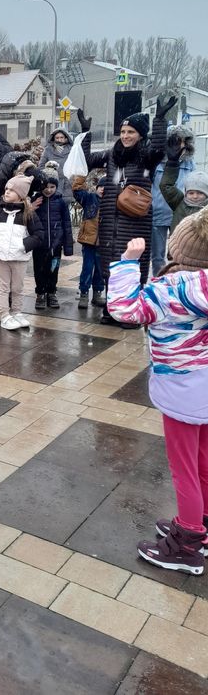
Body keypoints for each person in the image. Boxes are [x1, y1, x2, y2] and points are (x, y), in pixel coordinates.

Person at [107, 227, 208, 575]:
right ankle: (203, 523)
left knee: (185, 470)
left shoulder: (168, 291)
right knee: (203, 461)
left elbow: (124, 309)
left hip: (182, 392)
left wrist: (127, 263)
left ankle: (187, 543)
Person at [79, 98, 171, 325]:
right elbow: (88, 160)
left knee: (133, 266)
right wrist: (85, 133)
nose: (126, 135)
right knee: (110, 266)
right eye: (123, 131)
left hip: (134, 222)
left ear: (140, 134)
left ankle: (130, 314)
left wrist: (159, 121)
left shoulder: (146, 156)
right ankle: (113, 310)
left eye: (131, 131)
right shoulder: (112, 154)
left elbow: (160, 149)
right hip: (110, 220)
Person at [0, 175, 43, 330]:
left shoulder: (29, 215)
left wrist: (23, 245)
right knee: (3, 287)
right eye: (7, 188)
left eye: (12, 190)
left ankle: (17, 312)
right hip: (0, 256)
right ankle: (5, 315)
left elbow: (39, 235)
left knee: (17, 287)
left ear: (21, 195)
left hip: (19, 257)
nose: (7, 192)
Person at [151, 126, 195, 275]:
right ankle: (159, 281)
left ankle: (177, 282)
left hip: (180, 213)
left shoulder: (190, 163)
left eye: (182, 141)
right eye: (176, 141)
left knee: (179, 252)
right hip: (159, 211)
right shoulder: (158, 162)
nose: (179, 145)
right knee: (157, 255)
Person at [33, 167, 74, 310]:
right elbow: (27, 218)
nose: (48, 190)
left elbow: (67, 224)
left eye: (52, 186)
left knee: (53, 269)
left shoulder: (61, 202)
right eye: (46, 186)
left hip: (56, 246)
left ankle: (51, 292)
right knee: (39, 269)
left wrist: (68, 246)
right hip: (39, 245)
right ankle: (40, 293)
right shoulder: (36, 200)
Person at [159, 131, 208, 237]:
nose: (195, 196)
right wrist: (172, 163)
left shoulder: (206, 208)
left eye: (200, 193)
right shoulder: (179, 202)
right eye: (191, 193)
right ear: (186, 193)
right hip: (177, 248)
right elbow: (166, 186)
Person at [72, 173, 107, 309]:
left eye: (106, 187)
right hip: (88, 241)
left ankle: (97, 293)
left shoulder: (111, 202)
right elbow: (77, 190)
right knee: (87, 267)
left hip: (103, 243)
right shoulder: (89, 198)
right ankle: (84, 293)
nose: (103, 189)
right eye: (101, 186)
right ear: (97, 187)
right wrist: (82, 173)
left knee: (100, 269)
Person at [41, 129, 74, 203]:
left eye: (61, 137)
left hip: (68, 183)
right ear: (54, 139)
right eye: (57, 138)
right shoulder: (48, 150)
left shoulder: (72, 150)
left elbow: (76, 166)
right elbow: (41, 166)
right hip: (52, 183)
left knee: (66, 208)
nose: (59, 140)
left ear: (66, 139)